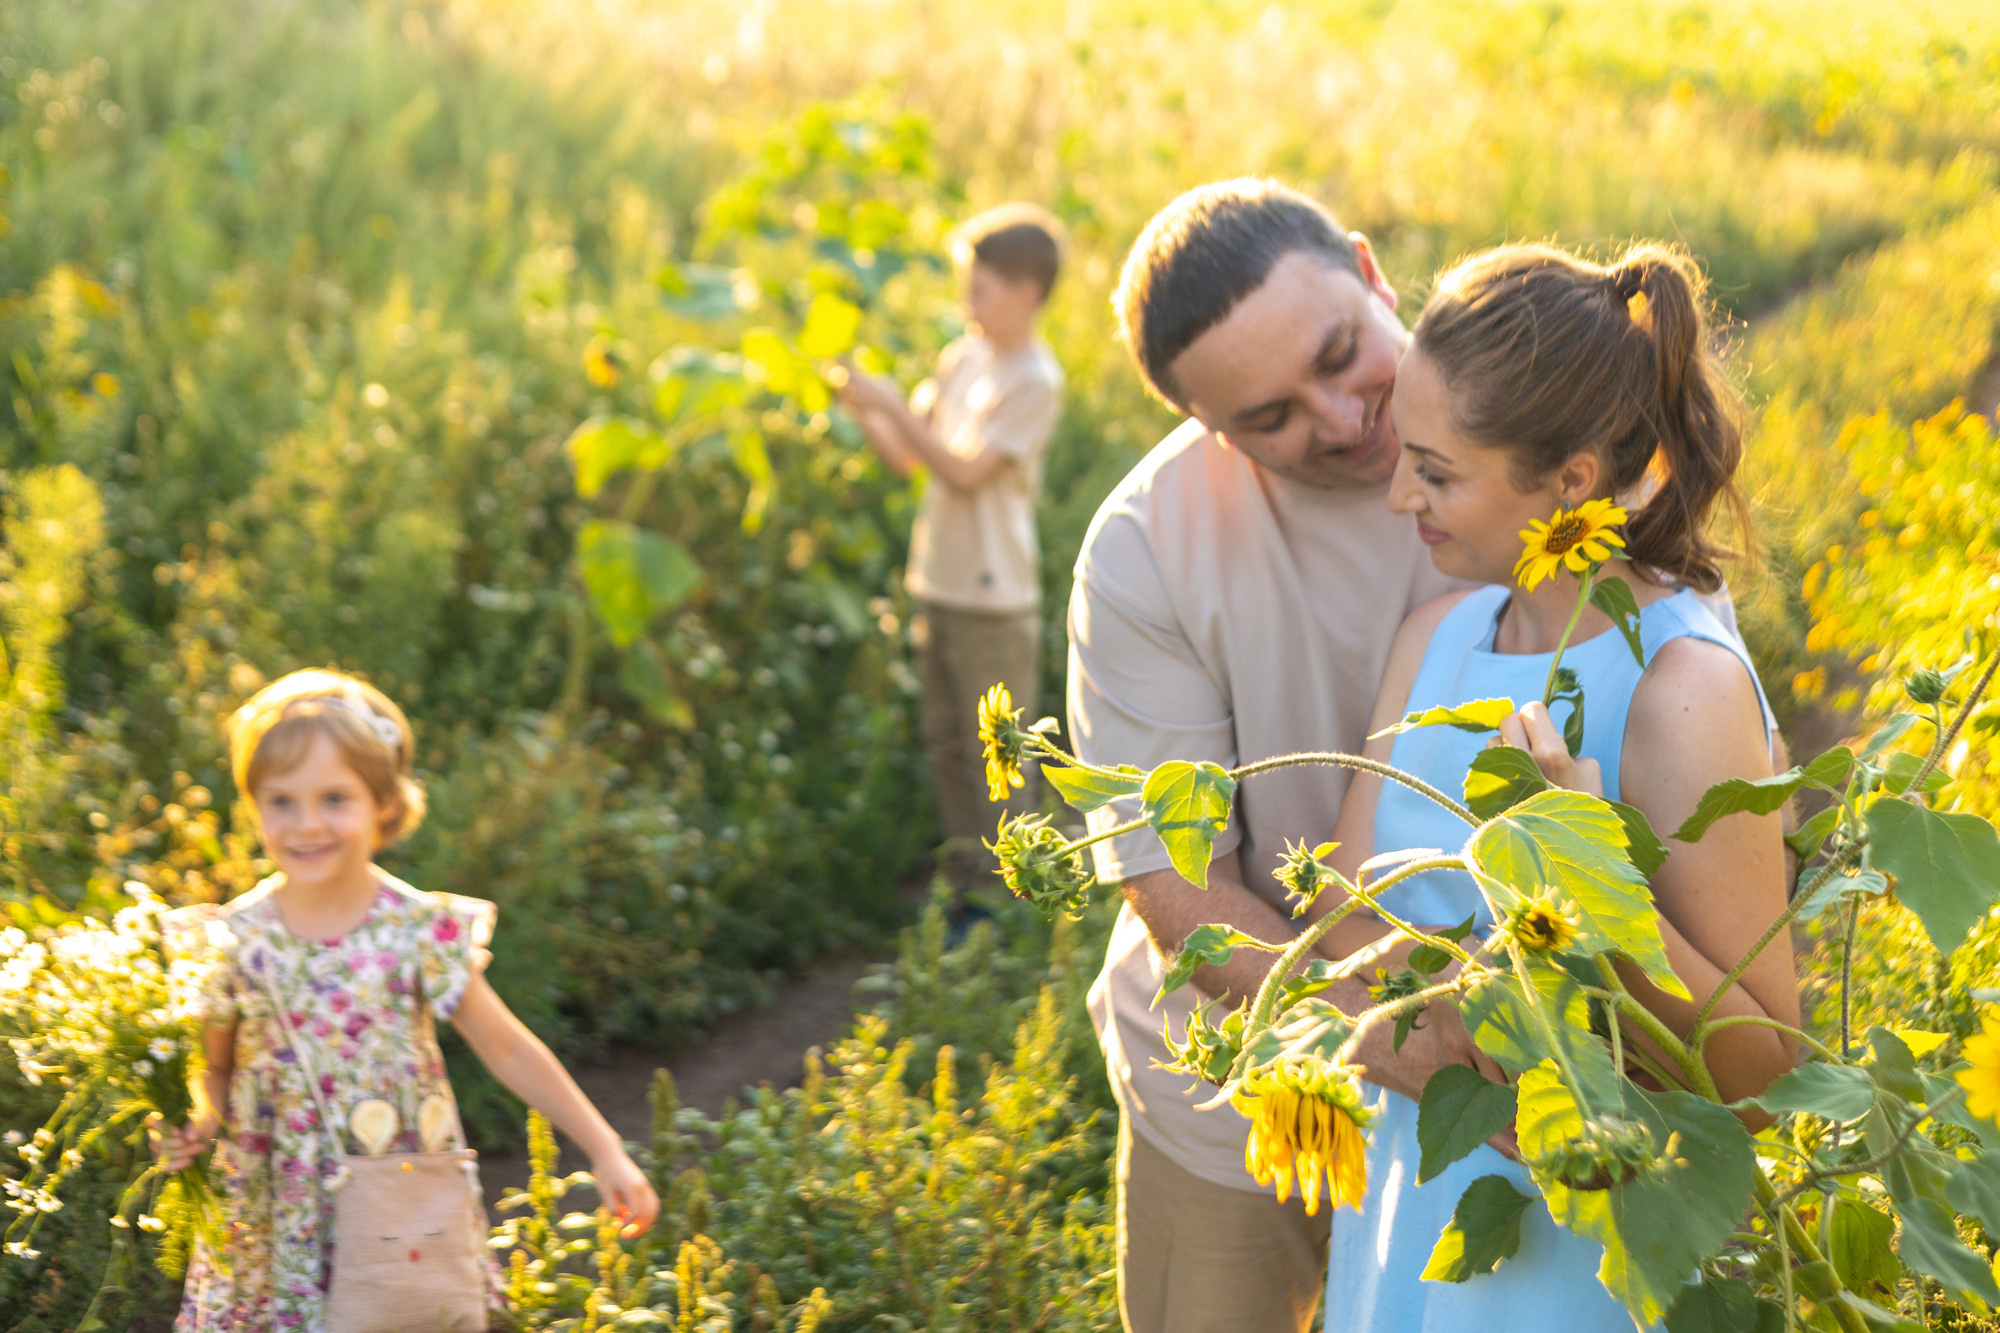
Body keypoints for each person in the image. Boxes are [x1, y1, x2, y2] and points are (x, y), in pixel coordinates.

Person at [1315, 241, 1796, 1329]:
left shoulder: (1679, 685)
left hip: (1583, 1255)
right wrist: (1426, 1017)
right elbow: (1341, 922)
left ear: (1571, 481)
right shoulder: (1434, 642)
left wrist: (1573, 869)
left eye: (1435, 471)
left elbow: (1758, 1076)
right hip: (1412, 1208)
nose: (1398, 495)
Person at [1069, 179, 1469, 1333]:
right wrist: (1405, 1037)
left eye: (1343, 355)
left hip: (1525, 1048)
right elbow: (1178, 889)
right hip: (1248, 1079)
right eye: (1269, 418)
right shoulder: (1145, 552)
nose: (1342, 422)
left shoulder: (1544, 428)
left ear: (1371, 270)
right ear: (1207, 427)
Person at [152, 668, 658, 1330]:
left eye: (335, 798)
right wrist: (198, 1120)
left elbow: (506, 1045)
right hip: (273, 1205)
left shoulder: (415, 928)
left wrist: (604, 1146)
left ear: (384, 804)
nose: (307, 824)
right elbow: (215, 1066)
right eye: (281, 801)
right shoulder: (233, 939)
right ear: (254, 806)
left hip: (398, 1191)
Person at [835, 203, 1066, 897]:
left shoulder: (1034, 379)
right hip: (935, 578)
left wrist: (892, 402)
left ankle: (1010, 897)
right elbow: (913, 459)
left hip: (993, 596)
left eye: (981, 289)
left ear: (1027, 293)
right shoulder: (962, 356)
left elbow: (965, 472)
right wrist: (865, 407)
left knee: (997, 757)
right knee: (945, 743)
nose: (968, 302)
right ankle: (968, 880)